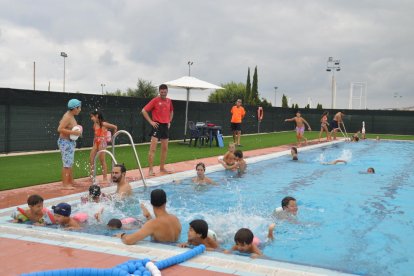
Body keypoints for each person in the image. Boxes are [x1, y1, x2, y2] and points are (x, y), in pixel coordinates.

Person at [116, 189, 181, 244]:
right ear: (165, 201)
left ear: (151, 202)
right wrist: (148, 217)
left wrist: (122, 235)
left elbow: (129, 240)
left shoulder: (152, 224)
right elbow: (160, 227)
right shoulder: (175, 219)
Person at [141, 84, 174, 177]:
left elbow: (171, 111)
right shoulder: (155, 100)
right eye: (161, 92)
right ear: (159, 92)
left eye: (165, 91)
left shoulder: (169, 101)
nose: (163, 93)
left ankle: (162, 167)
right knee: (153, 149)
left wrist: (169, 121)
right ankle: (150, 170)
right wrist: (151, 122)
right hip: (157, 126)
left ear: (167, 91)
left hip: (165, 126)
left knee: (165, 149)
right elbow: (143, 110)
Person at [57, 99, 82, 190]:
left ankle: (70, 181)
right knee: (67, 164)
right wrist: (73, 132)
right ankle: (65, 184)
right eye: (79, 108)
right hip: (65, 142)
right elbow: (60, 129)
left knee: (70, 163)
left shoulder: (70, 115)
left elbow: (62, 123)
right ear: (75, 108)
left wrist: (76, 131)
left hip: (69, 142)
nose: (80, 110)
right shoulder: (68, 116)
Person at [89, 110, 118, 183]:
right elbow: (95, 135)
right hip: (96, 142)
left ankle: (105, 178)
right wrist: (94, 143)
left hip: (102, 142)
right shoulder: (94, 125)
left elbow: (115, 127)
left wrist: (112, 138)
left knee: (102, 160)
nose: (91, 118)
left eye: (92, 116)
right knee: (91, 158)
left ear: (97, 116)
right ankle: (92, 176)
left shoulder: (104, 124)